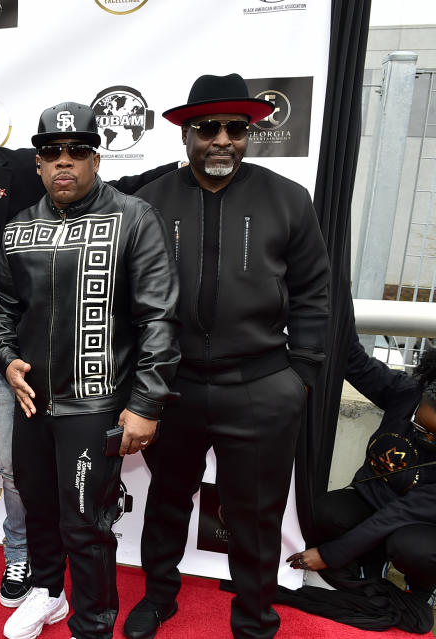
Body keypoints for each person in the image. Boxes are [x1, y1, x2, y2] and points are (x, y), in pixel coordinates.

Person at [0, 65, 176, 607]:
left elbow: (99, 198)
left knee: (15, 468)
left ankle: (22, 558)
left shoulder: (21, 172)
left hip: (12, 361)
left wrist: (182, 162)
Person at [123, 74, 331, 639]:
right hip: (173, 387)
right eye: (207, 128)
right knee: (166, 501)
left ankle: (255, 619)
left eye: (235, 129)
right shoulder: (148, 201)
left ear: (249, 133)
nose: (222, 140)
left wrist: (302, 375)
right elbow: (125, 296)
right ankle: (159, 598)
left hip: (263, 386)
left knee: (257, 516)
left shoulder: (288, 198)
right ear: (185, 134)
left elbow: (314, 292)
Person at [0, 102, 180, 639]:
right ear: (38, 163)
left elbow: (160, 318)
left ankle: (93, 624)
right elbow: (3, 308)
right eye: (51, 152)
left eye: (77, 151)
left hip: (94, 406)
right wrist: (7, 362)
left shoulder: (132, 217)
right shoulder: (21, 226)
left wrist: (145, 405)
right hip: (32, 403)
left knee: (86, 524)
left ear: (96, 158)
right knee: (39, 509)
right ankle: (48, 593)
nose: (63, 162)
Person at [286, 320, 436, 606]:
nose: (427, 438)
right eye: (421, 427)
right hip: (373, 500)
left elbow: (401, 513)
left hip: (419, 525)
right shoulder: (404, 392)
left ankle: (420, 590)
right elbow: (353, 360)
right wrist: (339, 305)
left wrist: (329, 556)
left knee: (413, 550)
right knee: (320, 513)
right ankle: (370, 563)